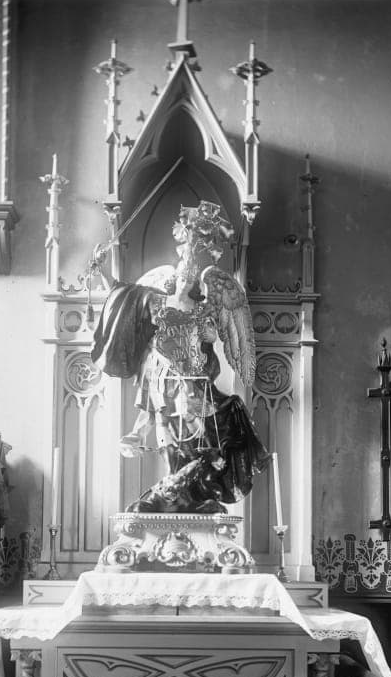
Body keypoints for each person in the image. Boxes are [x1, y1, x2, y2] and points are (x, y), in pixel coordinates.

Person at [91, 204, 270, 513]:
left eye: (191, 276)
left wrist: (207, 331)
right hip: (164, 385)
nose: (186, 278)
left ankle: (192, 494)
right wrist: (102, 271)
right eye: (182, 275)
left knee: (201, 442)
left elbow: (212, 342)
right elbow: (123, 297)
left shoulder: (203, 311)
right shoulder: (155, 301)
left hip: (195, 388)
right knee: (167, 442)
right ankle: (174, 493)